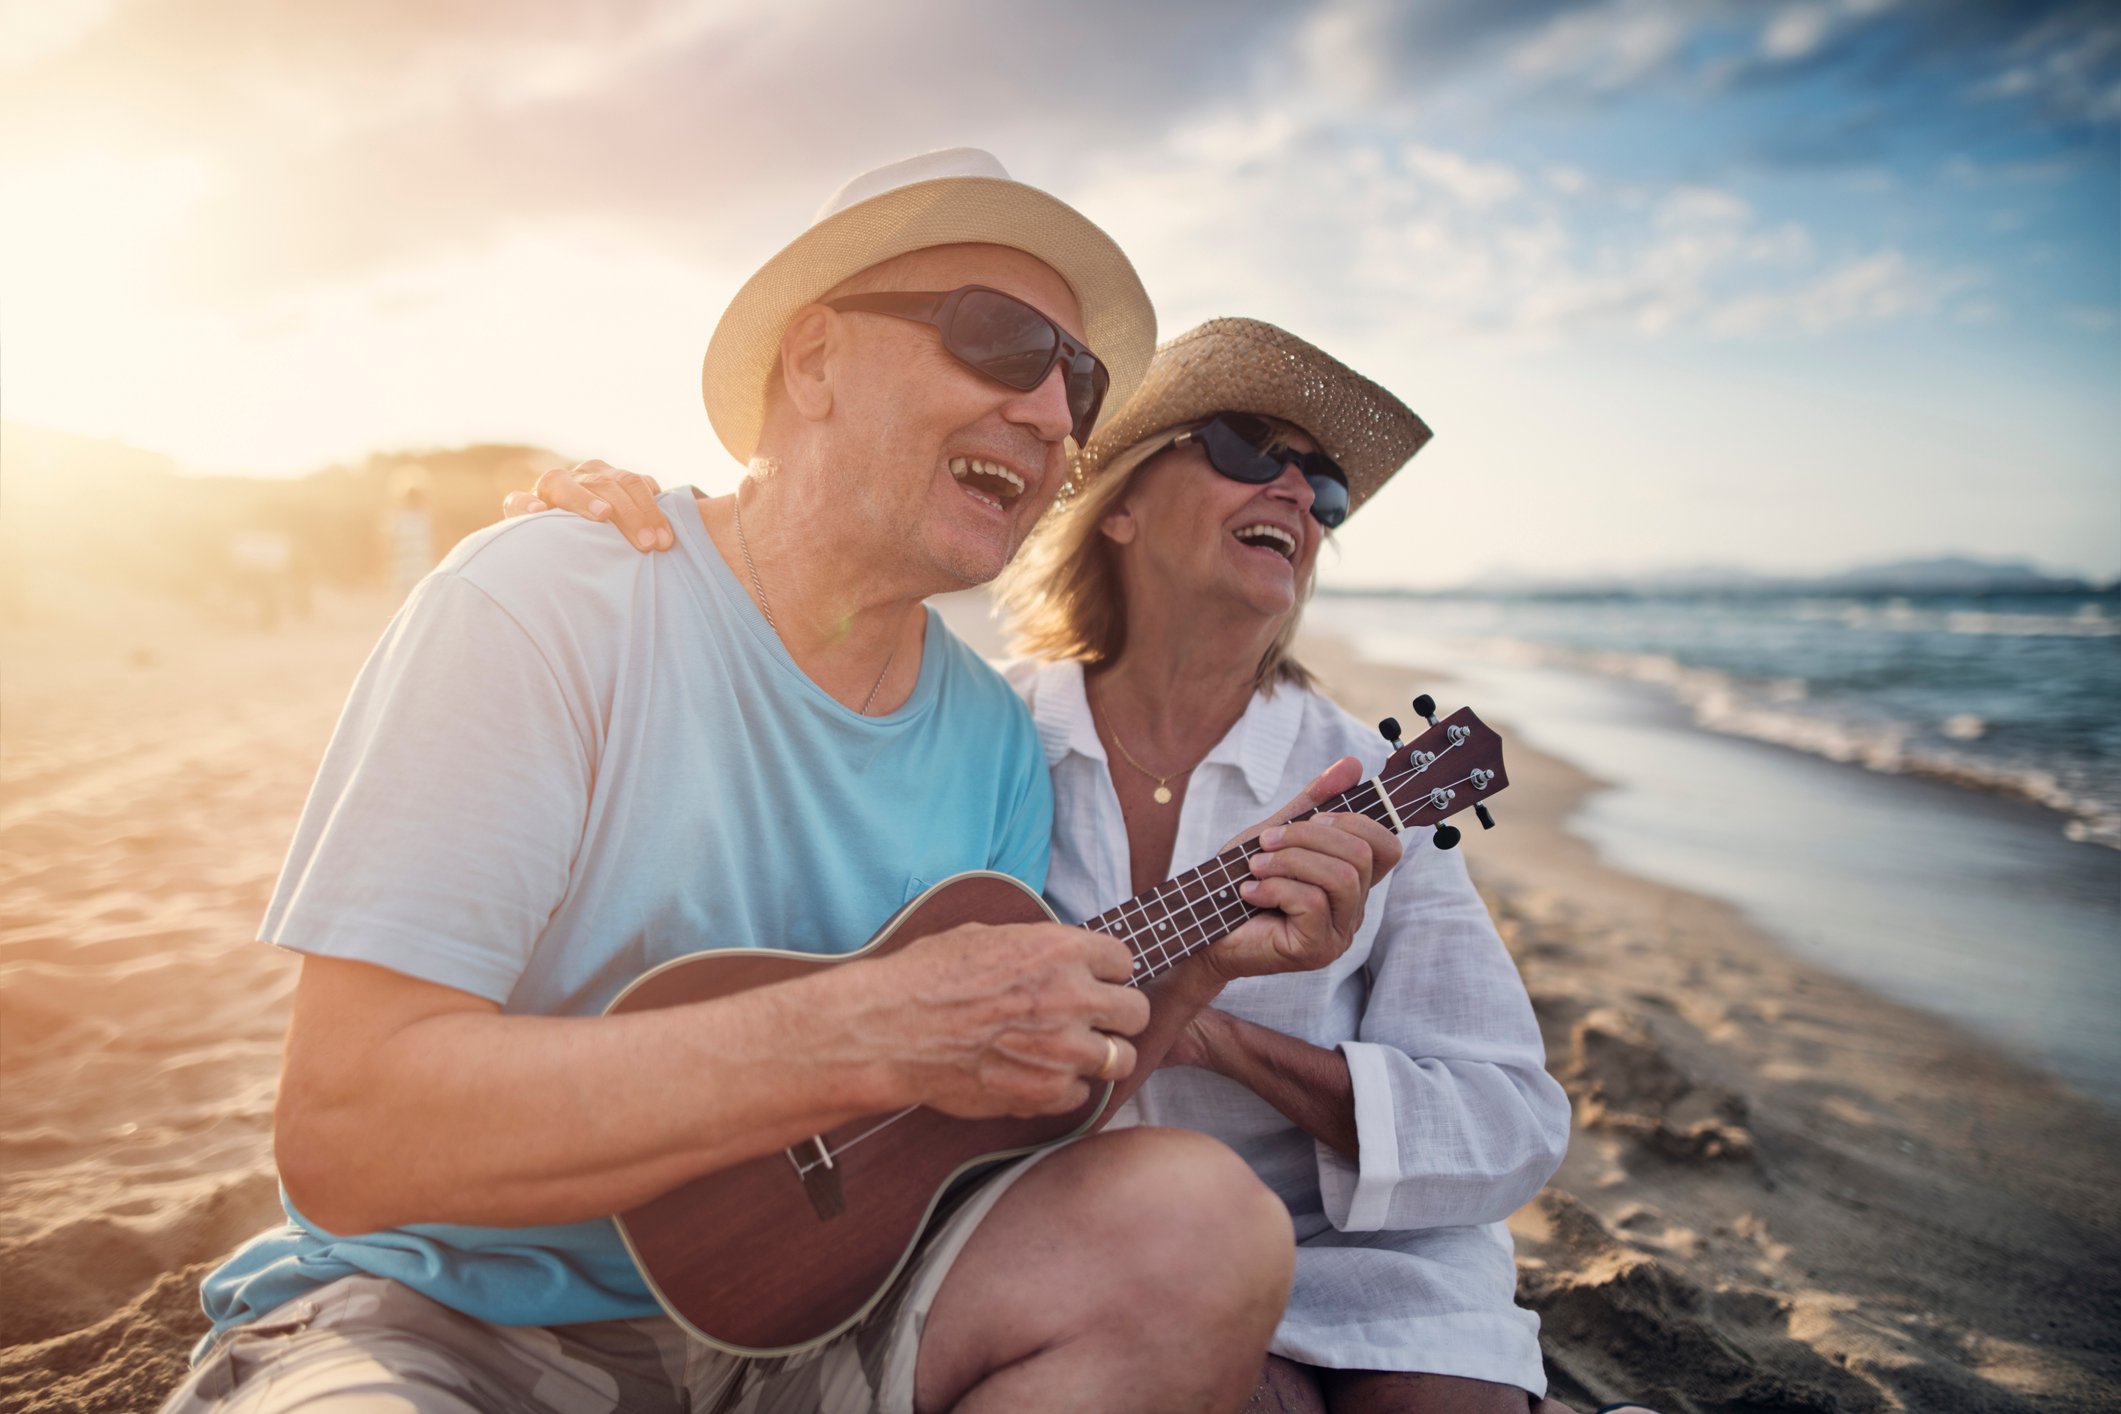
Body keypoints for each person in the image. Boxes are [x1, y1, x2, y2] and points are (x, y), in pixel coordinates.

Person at [159, 151, 1402, 1414]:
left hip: (810, 1320)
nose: (1051, 413)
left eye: (1078, 384)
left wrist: (1200, 962)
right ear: (811, 362)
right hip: (443, 1319)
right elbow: (348, 1135)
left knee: (1202, 1227)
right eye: (1002, 341)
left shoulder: (994, 739)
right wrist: (872, 1026)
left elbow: (960, 1133)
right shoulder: (541, 604)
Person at [518, 318, 1589, 1413]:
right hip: (1065, 1248)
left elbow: (1511, 1118)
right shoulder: (986, 737)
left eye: (1326, 491)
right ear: (1118, 501)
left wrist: (1219, 1038)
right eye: (1247, 448)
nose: (1297, 494)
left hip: (1372, 1267)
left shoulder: (1361, 791)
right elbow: (807, 891)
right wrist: (640, 546)